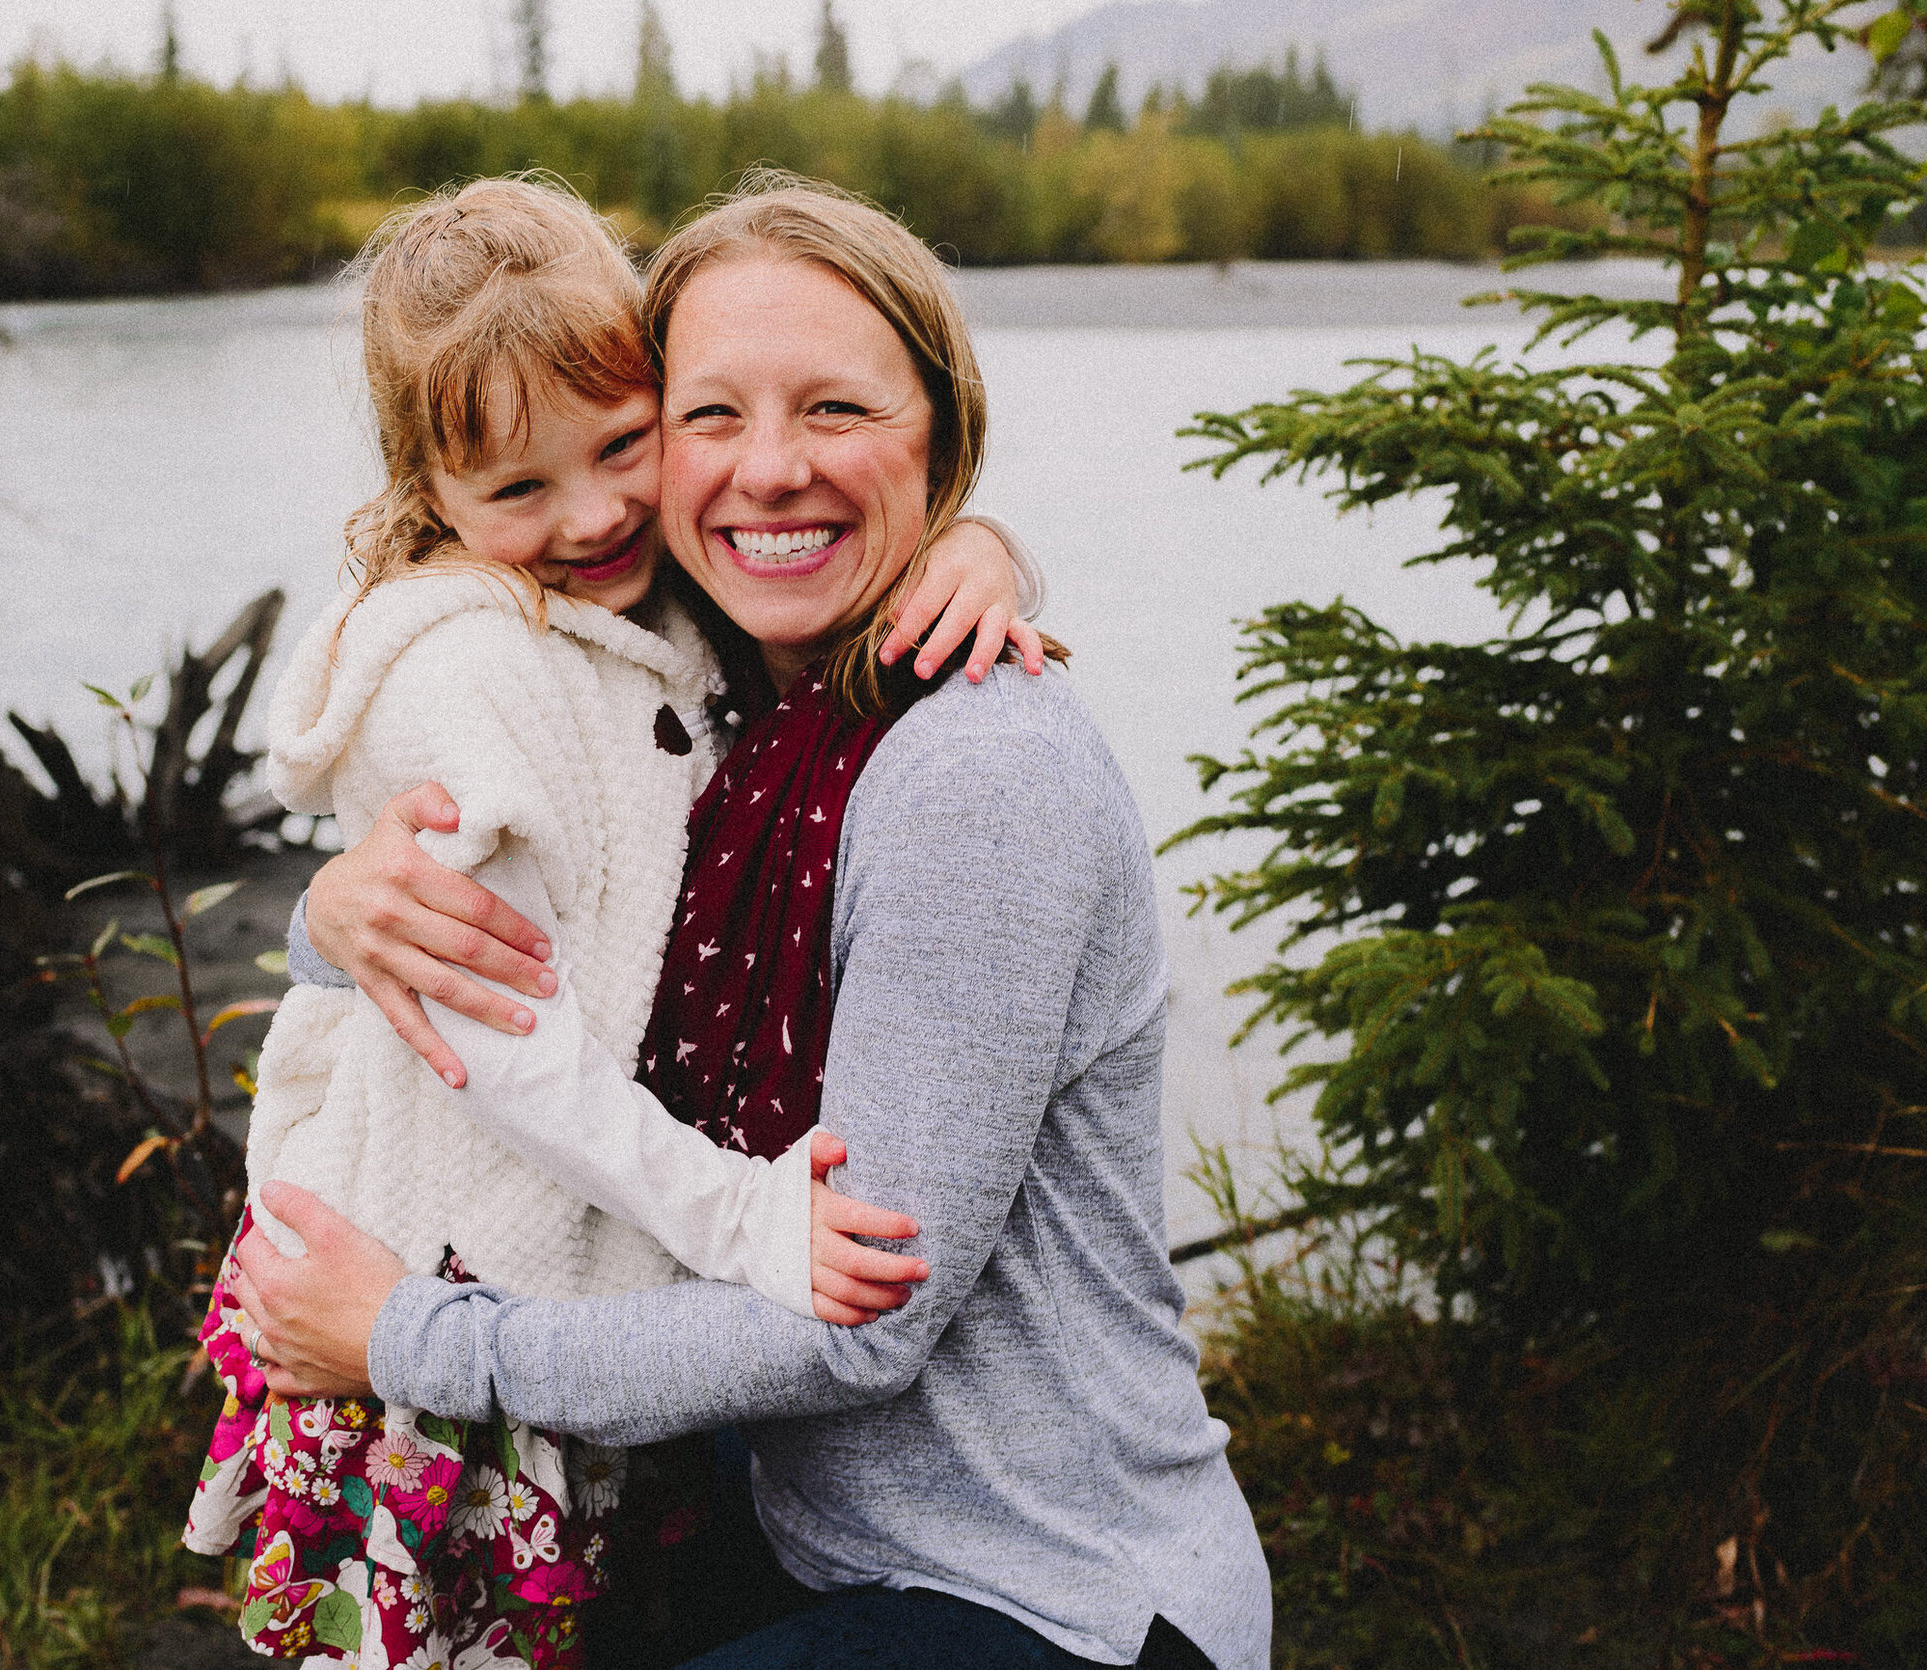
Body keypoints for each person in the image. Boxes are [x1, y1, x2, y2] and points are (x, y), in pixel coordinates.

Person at [232, 176, 1274, 1670]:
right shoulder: (719, 680)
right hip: (804, 1520)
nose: (768, 471)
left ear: (940, 430)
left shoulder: (974, 769)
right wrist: (337, 920)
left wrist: (410, 1337)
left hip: (1050, 1587)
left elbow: (861, 1321)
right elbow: (564, 887)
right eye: (710, 416)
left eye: (838, 411)